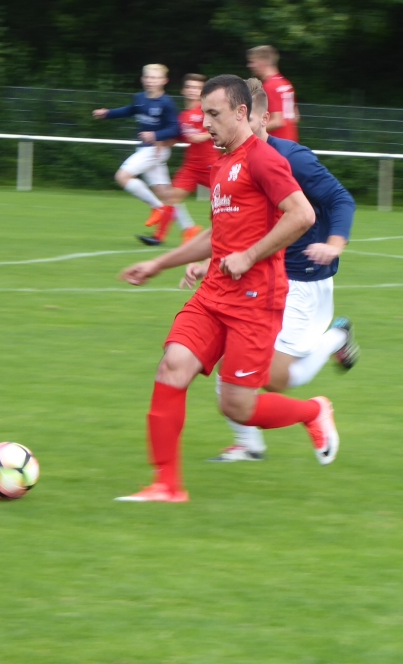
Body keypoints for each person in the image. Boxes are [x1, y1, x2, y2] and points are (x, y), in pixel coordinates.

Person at [115, 75, 337, 503]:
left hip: (256, 300)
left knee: (237, 406)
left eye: (213, 114)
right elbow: (217, 233)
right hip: (214, 292)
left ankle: (313, 411)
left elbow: (303, 215)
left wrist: (249, 256)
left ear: (241, 113)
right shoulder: (220, 164)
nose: (205, 123)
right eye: (203, 113)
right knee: (172, 366)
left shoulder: (264, 159)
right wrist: (158, 264)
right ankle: (167, 485)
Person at [181, 78, 359, 462]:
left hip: (300, 279)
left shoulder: (291, 158)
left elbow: (340, 199)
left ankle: (334, 340)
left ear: (260, 118)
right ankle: (249, 445)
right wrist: (209, 262)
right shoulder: (233, 161)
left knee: (274, 379)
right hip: (259, 279)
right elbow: (238, 229)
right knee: (233, 366)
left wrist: (334, 245)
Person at [93, 64, 195, 239]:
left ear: (164, 81)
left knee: (122, 177)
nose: (150, 81)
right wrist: (108, 113)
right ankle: (189, 228)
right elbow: (129, 110)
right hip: (146, 150)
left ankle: (158, 208)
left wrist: (156, 135)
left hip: (155, 150)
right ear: (142, 79)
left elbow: (175, 129)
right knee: (166, 194)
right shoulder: (139, 97)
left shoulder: (166, 103)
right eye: (147, 77)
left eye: (154, 78)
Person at [137, 73, 215, 246]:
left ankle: (222, 235)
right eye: (189, 87)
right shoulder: (183, 116)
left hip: (210, 166)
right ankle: (158, 237)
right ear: (183, 90)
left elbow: (223, 128)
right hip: (191, 167)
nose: (192, 90)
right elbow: (178, 137)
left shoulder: (208, 111)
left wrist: (203, 136)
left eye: (197, 88)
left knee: (224, 200)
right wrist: (161, 142)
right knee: (171, 198)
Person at [246, 45, 299, 142]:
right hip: (291, 143)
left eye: (252, 62)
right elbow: (296, 117)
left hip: (276, 144)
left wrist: (248, 132)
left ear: (263, 62)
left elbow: (277, 122)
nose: (250, 66)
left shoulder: (270, 86)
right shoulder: (286, 84)